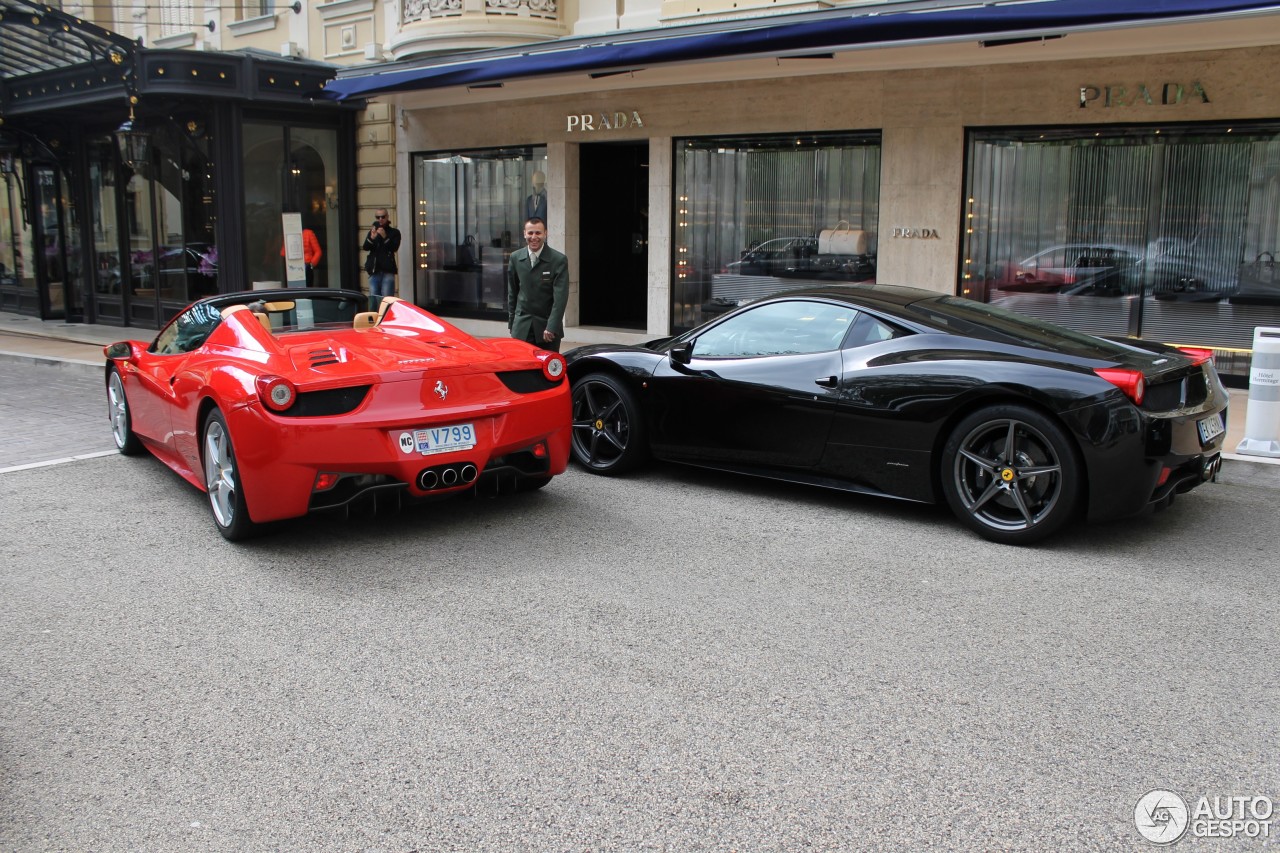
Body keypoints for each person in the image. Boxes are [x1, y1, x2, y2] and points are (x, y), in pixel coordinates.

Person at [508, 217, 569, 352]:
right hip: (521, 328)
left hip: (547, 329)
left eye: (538, 233)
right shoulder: (515, 258)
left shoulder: (558, 260)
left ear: (545, 234)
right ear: (524, 234)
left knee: (547, 370)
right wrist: (512, 323)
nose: (534, 237)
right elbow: (512, 292)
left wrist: (552, 326)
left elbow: (560, 298)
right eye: (530, 233)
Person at [363, 208, 401, 310]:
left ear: (387, 217)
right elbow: (365, 247)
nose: (380, 219)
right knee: (374, 300)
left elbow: (394, 248)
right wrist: (372, 238)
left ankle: (386, 321)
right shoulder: (373, 231)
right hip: (374, 270)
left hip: (387, 271)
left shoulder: (394, 232)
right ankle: (374, 321)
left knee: (386, 300)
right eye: (378, 217)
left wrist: (385, 237)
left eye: (383, 217)